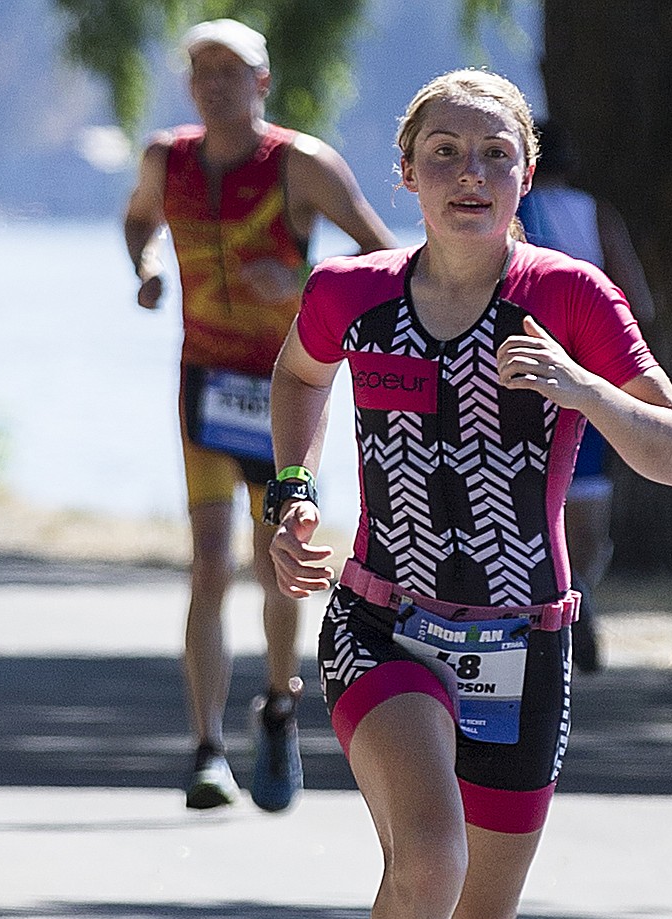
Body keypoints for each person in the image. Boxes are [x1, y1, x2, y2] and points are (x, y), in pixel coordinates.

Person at [266, 69, 672, 919]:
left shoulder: (570, 296)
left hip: (525, 637)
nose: (469, 174)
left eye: (494, 156)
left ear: (526, 175)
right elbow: (298, 377)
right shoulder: (352, 292)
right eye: (444, 154)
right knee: (430, 860)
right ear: (404, 174)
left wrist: (581, 387)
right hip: (384, 622)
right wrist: (292, 500)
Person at [123, 18, 396, 810]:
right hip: (204, 382)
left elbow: (383, 257)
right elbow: (140, 219)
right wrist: (143, 267)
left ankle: (279, 702)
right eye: (202, 70)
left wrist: (304, 274)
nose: (215, 83)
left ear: (262, 83)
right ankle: (207, 749)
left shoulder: (302, 165)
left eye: (231, 71)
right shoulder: (164, 159)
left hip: (285, 388)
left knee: (281, 553)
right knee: (209, 562)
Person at [516, 121, 655, 672]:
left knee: (526, 502)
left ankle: (543, 610)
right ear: (571, 167)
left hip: (520, 380)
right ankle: (583, 595)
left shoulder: (504, 214)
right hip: (588, 383)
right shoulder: (598, 215)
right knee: (589, 512)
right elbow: (639, 301)